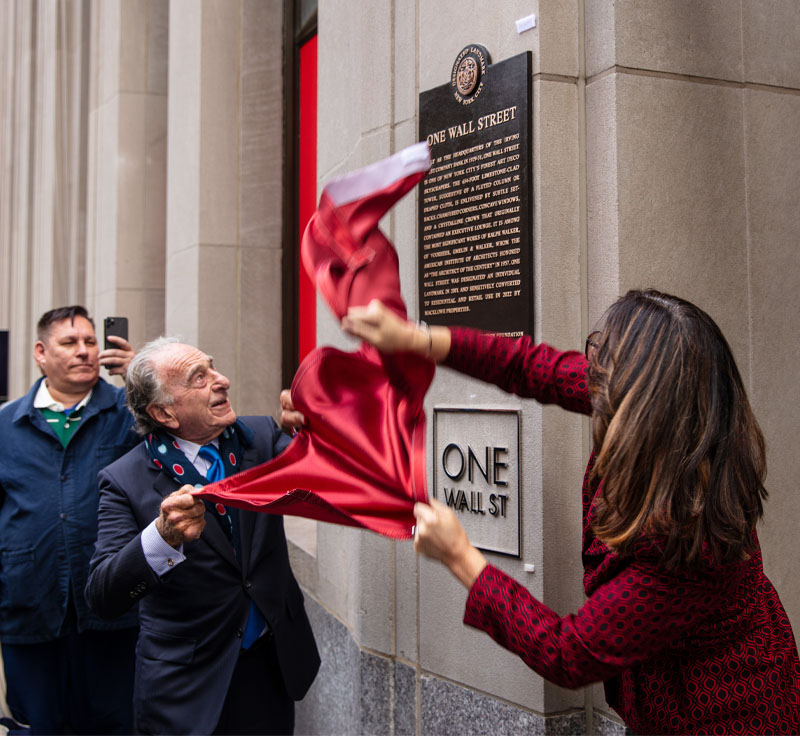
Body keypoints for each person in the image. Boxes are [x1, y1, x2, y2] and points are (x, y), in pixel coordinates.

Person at [325, 289, 800, 735]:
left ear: (641, 402)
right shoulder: (668, 420)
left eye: (607, 356)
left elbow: (567, 652)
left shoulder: (691, 547)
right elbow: (534, 368)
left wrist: (460, 556)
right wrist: (417, 339)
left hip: (726, 718)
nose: (593, 364)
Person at [85, 337, 320, 735]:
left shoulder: (261, 439)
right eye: (199, 378)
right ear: (164, 412)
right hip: (184, 689)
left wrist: (316, 426)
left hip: (269, 668)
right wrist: (163, 537)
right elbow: (103, 595)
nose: (222, 380)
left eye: (212, 367)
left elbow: (326, 482)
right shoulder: (125, 481)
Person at [0, 305, 140, 734]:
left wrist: (140, 380)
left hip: (113, 608)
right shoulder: (6, 424)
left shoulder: (129, 413)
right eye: (69, 343)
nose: (84, 352)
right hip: (29, 607)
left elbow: (185, 434)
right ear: (41, 352)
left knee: (117, 723)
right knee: (39, 725)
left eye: (90, 342)